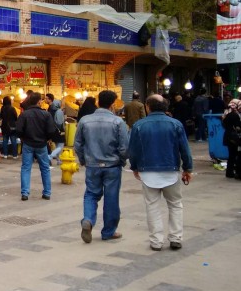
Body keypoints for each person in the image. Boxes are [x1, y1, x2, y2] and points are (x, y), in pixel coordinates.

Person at [128, 94, 193, 251]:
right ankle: (176, 238)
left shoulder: (138, 126)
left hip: (148, 171)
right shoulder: (175, 124)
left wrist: (135, 167)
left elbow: (133, 150)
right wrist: (187, 168)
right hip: (171, 171)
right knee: (176, 204)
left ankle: (156, 241)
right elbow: (185, 149)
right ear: (166, 107)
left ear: (147, 107)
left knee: (152, 206)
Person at [74, 90, 129, 243]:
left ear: (98, 102)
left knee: (91, 194)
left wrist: (83, 160)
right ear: (112, 105)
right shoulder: (118, 122)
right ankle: (108, 231)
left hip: (92, 164)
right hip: (112, 165)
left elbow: (77, 144)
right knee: (111, 197)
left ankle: (88, 220)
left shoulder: (85, 120)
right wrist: (122, 160)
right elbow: (125, 146)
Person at [16, 92, 60, 201]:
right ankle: (47, 192)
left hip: (28, 144)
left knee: (26, 168)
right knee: (45, 168)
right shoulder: (46, 114)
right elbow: (51, 130)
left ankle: (25, 193)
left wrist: (23, 138)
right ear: (39, 101)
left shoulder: (24, 114)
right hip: (41, 144)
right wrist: (47, 139)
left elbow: (18, 130)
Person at [221, 99, 241, 179]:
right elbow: (238, 126)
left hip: (228, 136)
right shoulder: (235, 115)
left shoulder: (227, 113)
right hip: (233, 137)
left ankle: (229, 172)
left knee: (231, 155)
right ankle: (234, 172)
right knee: (235, 155)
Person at [45, 94, 65, 164]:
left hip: (53, 130)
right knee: (60, 146)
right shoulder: (59, 111)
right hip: (59, 130)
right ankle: (51, 156)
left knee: (57, 146)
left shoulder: (50, 110)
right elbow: (59, 123)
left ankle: (58, 160)